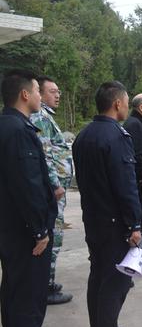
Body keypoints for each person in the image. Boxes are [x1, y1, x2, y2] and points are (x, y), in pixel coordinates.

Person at [72, 81, 142, 327]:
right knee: (116, 280)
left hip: (93, 218)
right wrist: (134, 224)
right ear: (117, 103)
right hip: (115, 222)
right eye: (126, 101)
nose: (126, 106)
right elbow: (125, 185)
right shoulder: (116, 136)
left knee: (98, 275)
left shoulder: (84, 135)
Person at [0, 70, 64, 327]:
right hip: (24, 231)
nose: (40, 96)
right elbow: (28, 185)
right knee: (26, 292)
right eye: (38, 90)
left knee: (17, 289)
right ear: (25, 94)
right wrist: (39, 230)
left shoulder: (9, 125)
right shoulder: (17, 130)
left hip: (13, 226)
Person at [29, 76, 73, 305]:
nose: (57, 95)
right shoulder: (41, 117)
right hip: (53, 191)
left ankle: (47, 281)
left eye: (58, 92)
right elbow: (44, 155)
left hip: (56, 188)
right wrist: (55, 184)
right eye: (52, 91)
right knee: (53, 235)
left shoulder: (45, 116)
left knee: (55, 234)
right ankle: (45, 286)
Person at [122, 93, 142, 237]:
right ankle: (136, 244)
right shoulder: (135, 124)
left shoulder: (139, 122)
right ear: (141, 107)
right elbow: (137, 154)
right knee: (139, 212)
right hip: (139, 179)